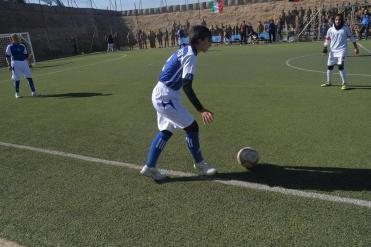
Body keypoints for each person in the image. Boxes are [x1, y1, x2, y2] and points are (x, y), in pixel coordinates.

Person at [140, 25, 216, 181]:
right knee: (192, 126)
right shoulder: (191, 55)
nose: (211, 43)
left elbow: (166, 67)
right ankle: (200, 163)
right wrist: (201, 109)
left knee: (166, 130)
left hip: (164, 92)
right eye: (209, 40)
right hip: (165, 95)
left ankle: (150, 167)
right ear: (200, 40)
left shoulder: (184, 50)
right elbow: (187, 85)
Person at [321, 14, 359, 90]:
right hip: (332, 51)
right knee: (329, 67)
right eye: (336, 20)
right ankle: (329, 82)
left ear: (341, 20)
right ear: (334, 20)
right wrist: (325, 47)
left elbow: (351, 37)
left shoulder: (345, 29)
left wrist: (356, 47)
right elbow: (327, 39)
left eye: (339, 20)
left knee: (340, 66)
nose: (337, 21)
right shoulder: (330, 29)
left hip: (342, 50)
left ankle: (344, 83)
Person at [5, 33, 38, 98]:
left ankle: (33, 92)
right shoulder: (9, 46)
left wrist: (29, 62)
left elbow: (26, 56)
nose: (17, 39)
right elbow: (7, 56)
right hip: (15, 63)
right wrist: (9, 65)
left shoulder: (22, 46)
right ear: (12, 39)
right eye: (15, 38)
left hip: (24, 63)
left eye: (17, 38)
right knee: (16, 79)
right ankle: (17, 93)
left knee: (29, 77)